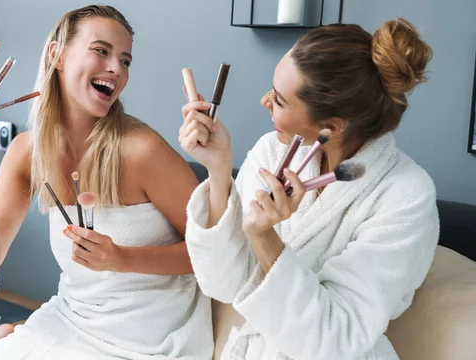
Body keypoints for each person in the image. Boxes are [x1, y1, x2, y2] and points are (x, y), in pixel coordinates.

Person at [0, 4, 213, 360]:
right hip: (70, 322)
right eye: (101, 51)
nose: (116, 68)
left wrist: (122, 258)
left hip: (149, 338)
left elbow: (216, 254)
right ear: (57, 54)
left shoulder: (140, 150)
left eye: (125, 60)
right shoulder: (28, 152)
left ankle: (10, 333)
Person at [179, 18, 439, 360]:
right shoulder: (272, 151)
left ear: (330, 127)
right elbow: (220, 283)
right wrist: (218, 170)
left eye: (280, 101)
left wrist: (264, 237)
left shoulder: (405, 196)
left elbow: (334, 341)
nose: (264, 101)